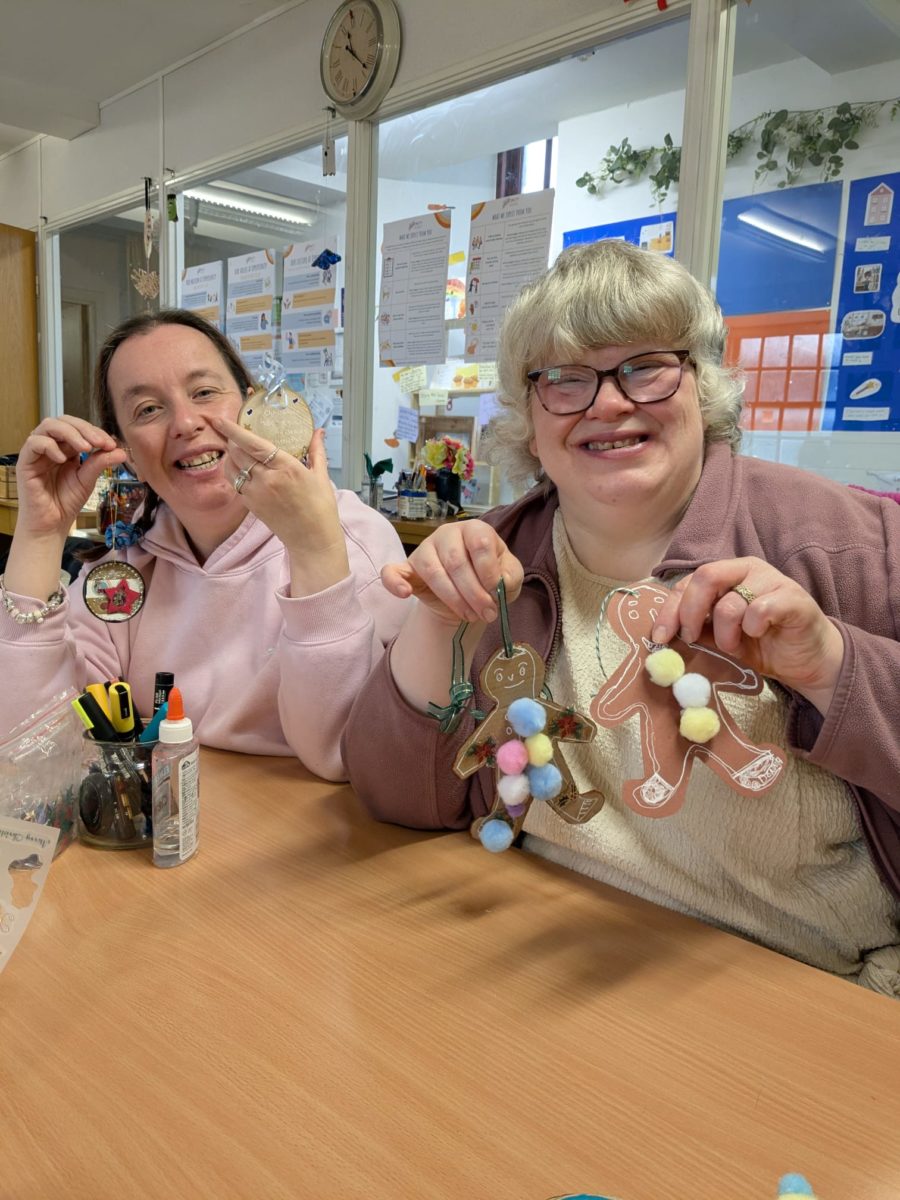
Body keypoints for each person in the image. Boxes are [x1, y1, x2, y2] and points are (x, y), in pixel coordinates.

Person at [343, 240, 900, 995]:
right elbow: (395, 797)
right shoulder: (496, 554)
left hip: (808, 981)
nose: (609, 402)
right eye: (565, 380)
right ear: (529, 418)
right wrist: (437, 621)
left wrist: (832, 667)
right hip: (540, 953)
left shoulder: (850, 542)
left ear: (701, 387)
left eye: (645, 366)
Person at [0, 309, 407, 780]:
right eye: (148, 409)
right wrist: (40, 535)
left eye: (205, 392)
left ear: (254, 407)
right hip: (167, 829)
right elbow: (31, 745)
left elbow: (342, 752)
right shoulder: (125, 571)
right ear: (125, 451)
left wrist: (315, 552)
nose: (186, 423)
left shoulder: (354, 539)